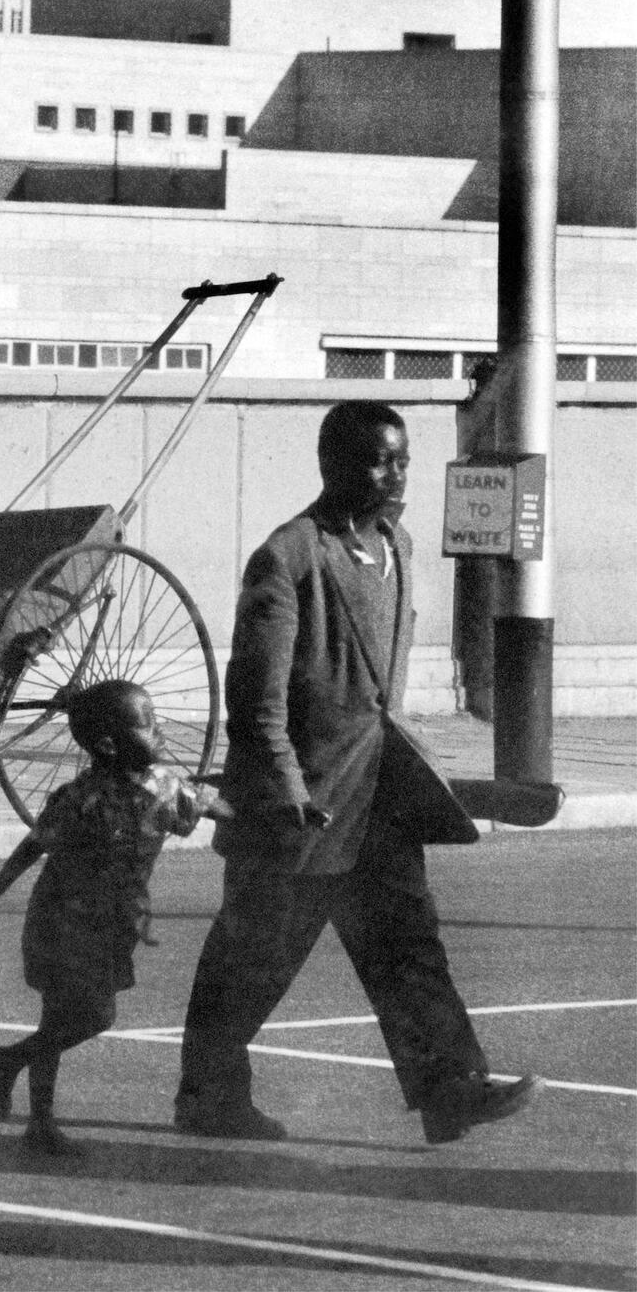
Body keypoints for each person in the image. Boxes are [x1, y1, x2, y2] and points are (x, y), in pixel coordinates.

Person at [173, 401, 540, 1146]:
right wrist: (284, 791)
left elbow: (379, 694)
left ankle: (449, 1089)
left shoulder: (398, 545)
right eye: (379, 458)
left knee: (409, 944)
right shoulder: (288, 555)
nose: (396, 472)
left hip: (379, 798)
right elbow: (257, 697)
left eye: (402, 458)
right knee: (251, 964)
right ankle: (208, 1097)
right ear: (333, 463)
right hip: (302, 807)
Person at [0, 679, 221, 1158]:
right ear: (108, 744)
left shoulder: (165, 786)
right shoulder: (79, 797)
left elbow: (213, 805)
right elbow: (36, 844)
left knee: (71, 1017)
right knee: (86, 1015)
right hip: (61, 920)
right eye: (147, 725)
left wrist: (279, 812)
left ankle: (13, 1069)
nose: (160, 732)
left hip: (112, 926)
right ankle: (33, 1108)